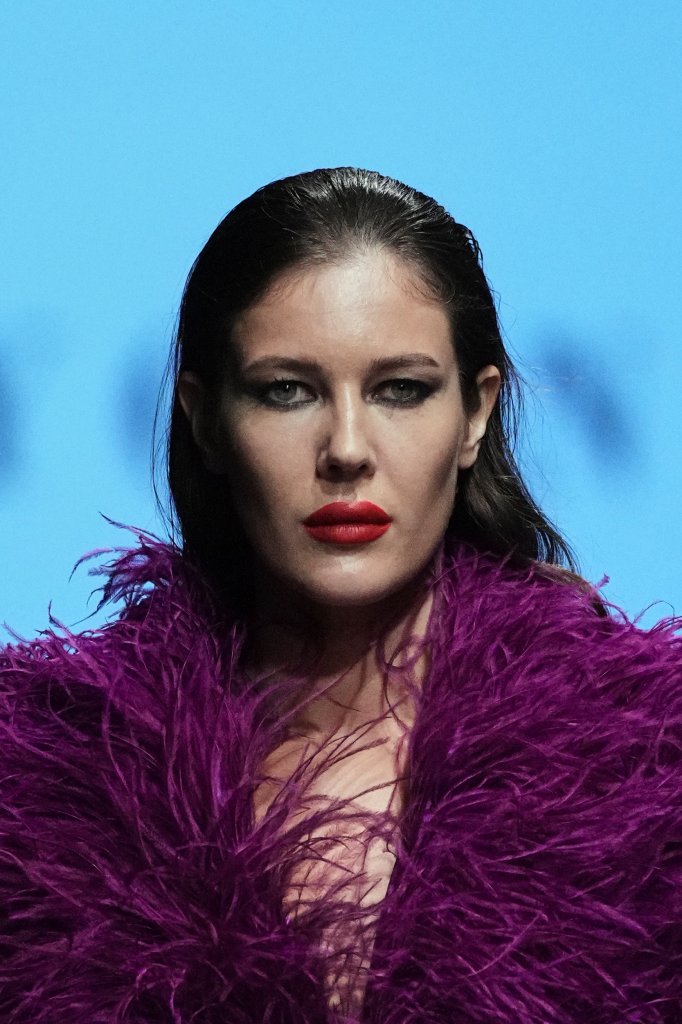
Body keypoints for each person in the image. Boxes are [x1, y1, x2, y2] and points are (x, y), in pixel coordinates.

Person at [1, 167, 681, 1023]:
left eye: (401, 390)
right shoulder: (39, 788)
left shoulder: (651, 765)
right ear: (205, 419)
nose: (348, 449)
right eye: (287, 391)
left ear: (475, 414)